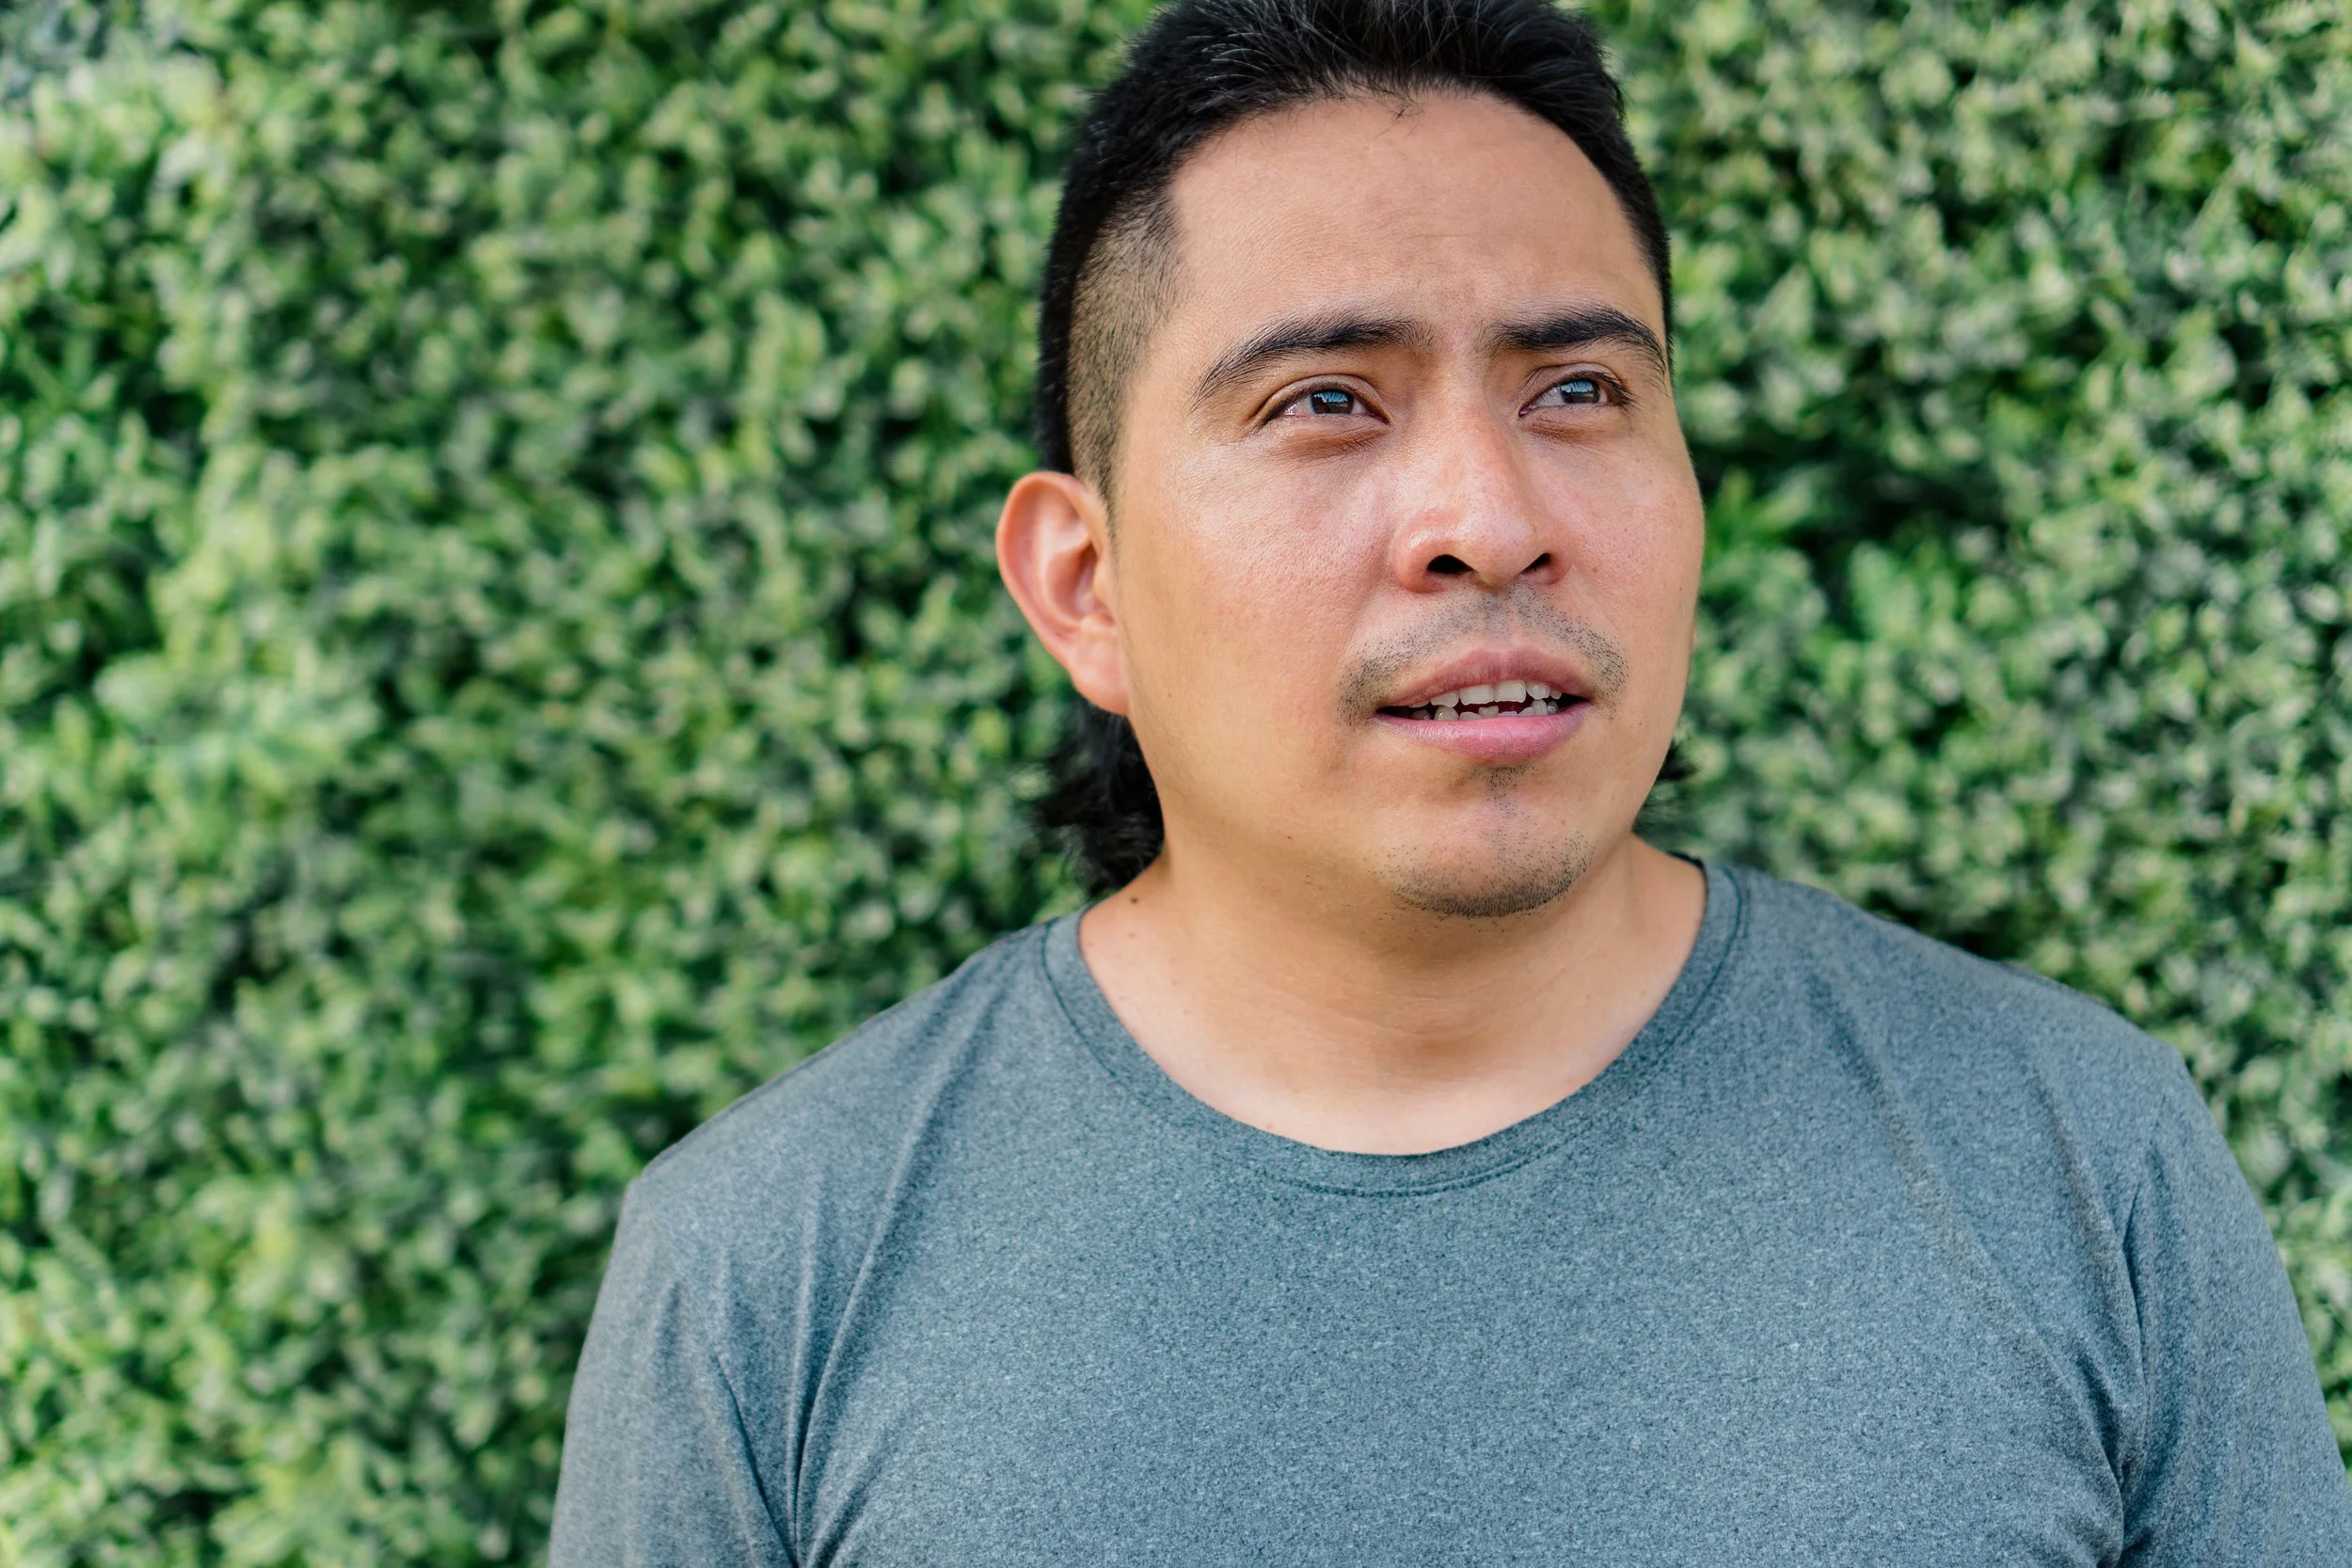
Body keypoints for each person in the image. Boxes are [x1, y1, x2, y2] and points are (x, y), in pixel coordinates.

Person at [548, 0, 2351, 1560]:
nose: (1490, 522)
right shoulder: (766, 1268)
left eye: (1578, 391)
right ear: (1084, 589)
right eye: (1328, 400)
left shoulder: (2075, 1158)